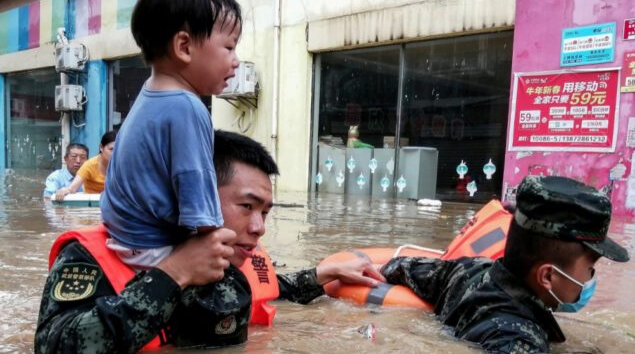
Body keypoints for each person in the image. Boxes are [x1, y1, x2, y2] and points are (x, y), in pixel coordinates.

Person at [35, 130, 383, 352]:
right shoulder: (94, 255)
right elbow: (54, 345)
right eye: (247, 206)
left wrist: (326, 273)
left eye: (266, 211)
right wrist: (173, 274)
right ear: (193, 194)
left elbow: (271, 288)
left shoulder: (234, 255)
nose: (260, 227)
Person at [380, 175, 630, 353]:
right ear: (547, 277)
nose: (590, 279)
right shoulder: (517, 340)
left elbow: (399, 266)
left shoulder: (467, 269)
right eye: (590, 268)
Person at [99, 0, 241, 272]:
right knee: (233, 275)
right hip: (155, 249)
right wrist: (222, 242)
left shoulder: (149, 96)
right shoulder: (187, 106)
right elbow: (199, 201)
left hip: (125, 240)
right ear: (184, 47)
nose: (236, 60)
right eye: (229, 47)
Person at [55, 131, 116, 199]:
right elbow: (73, 188)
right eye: (111, 149)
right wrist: (64, 191)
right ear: (101, 147)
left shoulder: (123, 166)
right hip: (91, 205)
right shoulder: (89, 165)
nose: (115, 153)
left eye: (118, 149)